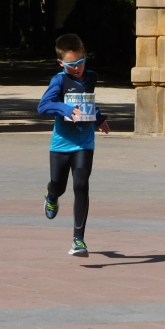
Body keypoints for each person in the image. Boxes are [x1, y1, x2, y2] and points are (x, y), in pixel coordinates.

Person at [37, 34, 110, 257]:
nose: (77, 68)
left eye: (80, 62)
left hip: (84, 143)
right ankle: (51, 196)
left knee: (81, 184)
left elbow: (87, 101)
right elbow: (43, 106)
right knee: (59, 185)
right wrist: (67, 111)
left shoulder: (91, 77)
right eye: (71, 65)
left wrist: (99, 119)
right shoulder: (59, 80)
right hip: (61, 145)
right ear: (61, 63)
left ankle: (78, 240)